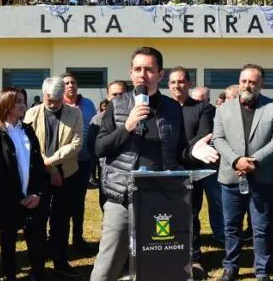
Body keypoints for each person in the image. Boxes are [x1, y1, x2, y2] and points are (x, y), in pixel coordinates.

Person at [90, 47, 219, 281]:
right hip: (122, 197)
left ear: (160, 74)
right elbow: (100, 148)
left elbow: (179, 151)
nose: (143, 74)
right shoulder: (117, 105)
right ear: (130, 73)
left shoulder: (171, 108)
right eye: (138, 69)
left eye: (149, 69)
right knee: (107, 265)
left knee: (161, 265)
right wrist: (127, 126)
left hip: (162, 198)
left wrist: (194, 152)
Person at [213, 64, 273, 281]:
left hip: (262, 176)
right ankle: (231, 267)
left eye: (253, 82)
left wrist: (254, 161)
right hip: (231, 177)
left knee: (261, 227)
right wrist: (236, 160)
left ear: (261, 83)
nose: (247, 85)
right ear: (239, 81)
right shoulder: (223, 109)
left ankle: (262, 270)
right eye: (244, 81)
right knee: (231, 226)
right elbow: (218, 138)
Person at [0, 88, 48, 281]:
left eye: (23, 101)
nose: (23, 105)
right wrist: (18, 198)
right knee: (9, 241)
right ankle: (10, 276)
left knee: (36, 240)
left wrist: (36, 193)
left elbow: (38, 164)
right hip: (9, 201)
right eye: (18, 101)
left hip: (33, 199)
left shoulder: (27, 129)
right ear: (6, 104)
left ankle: (37, 274)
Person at [24, 77, 83, 277]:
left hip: (67, 174)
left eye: (58, 99)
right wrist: (50, 169)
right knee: (37, 221)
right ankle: (37, 265)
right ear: (43, 94)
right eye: (50, 99)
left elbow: (76, 144)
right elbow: (30, 146)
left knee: (61, 218)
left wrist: (52, 162)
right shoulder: (31, 114)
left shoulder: (75, 113)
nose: (54, 103)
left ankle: (59, 259)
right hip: (40, 176)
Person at [168, 67, 223, 279]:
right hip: (167, 170)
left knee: (190, 214)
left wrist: (182, 154)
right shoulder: (163, 107)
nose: (176, 86)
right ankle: (172, 252)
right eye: (173, 82)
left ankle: (194, 257)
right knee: (167, 215)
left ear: (189, 84)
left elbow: (203, 137)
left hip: (192, 171)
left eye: (181, 81)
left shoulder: (203, 109)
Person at [61, 73, 97, 252]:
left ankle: (77, 239)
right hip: (64, 163)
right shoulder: (57, 105)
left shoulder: (88, 104)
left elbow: (95, 128)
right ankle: (60, 241)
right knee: (63, 203)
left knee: (79, 201)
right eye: (66, 83)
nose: (70, 86)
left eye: (73, 82)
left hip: (84, 161)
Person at [87, 81, 128, 210]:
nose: (117, 98)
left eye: (121, 94)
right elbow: (92, 146)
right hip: (107, 172)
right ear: (108, 97)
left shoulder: (137, 117)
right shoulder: (97, 120)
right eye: (114, 94)